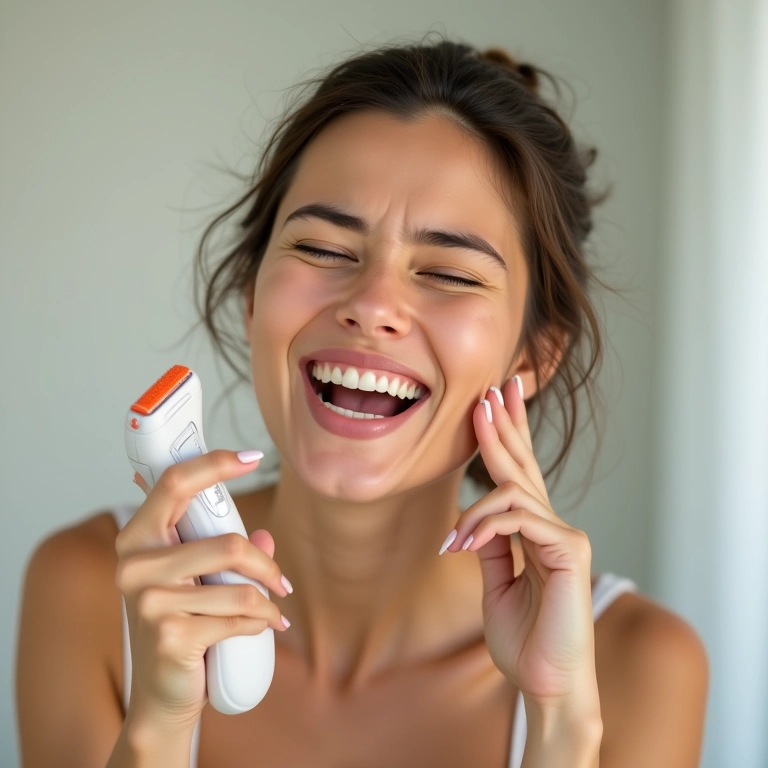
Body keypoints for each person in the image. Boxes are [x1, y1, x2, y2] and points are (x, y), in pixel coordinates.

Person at [16, 34, 708, 767]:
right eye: (322, 250)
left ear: (533, 355)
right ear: (253, 299)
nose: (373, 304)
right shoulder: (89, 591)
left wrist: (561, 724)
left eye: (450, 273)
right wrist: (157, 727)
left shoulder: (640, 668)